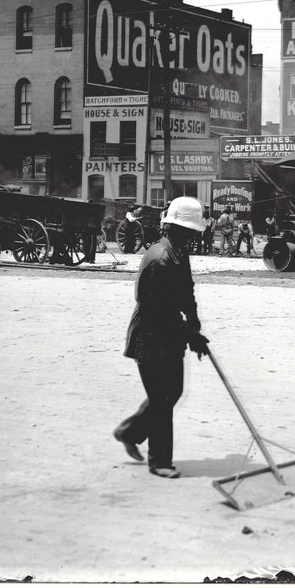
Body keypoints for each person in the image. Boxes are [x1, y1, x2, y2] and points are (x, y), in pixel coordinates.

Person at [113, 197, 210, 479]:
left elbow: (186, 291)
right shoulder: (160, 259)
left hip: (169, 333)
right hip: (149, 335)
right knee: (161, 399)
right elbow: (158, 310)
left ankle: (129, 432)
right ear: (172, 229)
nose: (192, 236)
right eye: (188, 231)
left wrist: (194, 323)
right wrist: (190, 335)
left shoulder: (180, 252)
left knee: (173, 391)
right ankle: (160, 461)